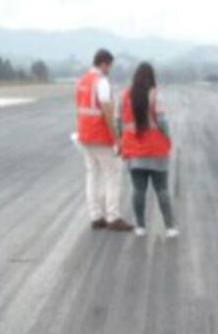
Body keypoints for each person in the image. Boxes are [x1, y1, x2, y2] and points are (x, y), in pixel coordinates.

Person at [118, 62, 179, 238]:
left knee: (138, 190)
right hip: (156, 151)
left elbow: (118, 122)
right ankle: (170, 227)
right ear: (151, 77)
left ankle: (140, 227)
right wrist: (168, 138)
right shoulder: (155, 95)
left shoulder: (125, 96)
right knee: (162, 189)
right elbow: (162, 121)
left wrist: (121, 141)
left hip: (135, 151)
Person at [75, 48, 133, 231]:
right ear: (103, 64)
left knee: (92, 175)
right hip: (100, 135)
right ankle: (113, 217)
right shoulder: (101, 82)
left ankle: (95, 216)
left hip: (84, 135)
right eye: (109, 66)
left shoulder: (82, 80)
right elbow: (108, 111)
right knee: (112, 175)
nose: (110, 70)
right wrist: (117, 138)